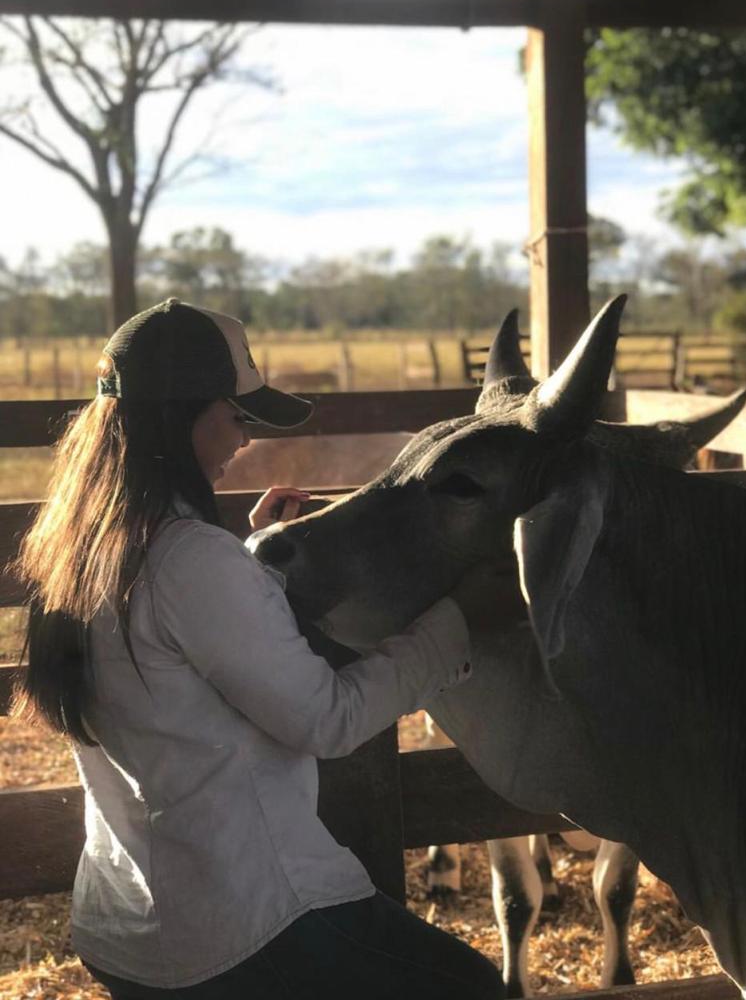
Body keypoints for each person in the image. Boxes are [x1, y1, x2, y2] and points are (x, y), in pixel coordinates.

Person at [12, 298, 513, 1000]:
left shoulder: (78, 545)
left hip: (123, 925)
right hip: (242, 922)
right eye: (237, 416)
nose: (245, 440)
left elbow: (176, 641)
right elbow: (328, 719)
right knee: (471, 988)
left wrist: (252, 565)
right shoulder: (191, 559)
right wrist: (456, 624)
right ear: (182, 415)